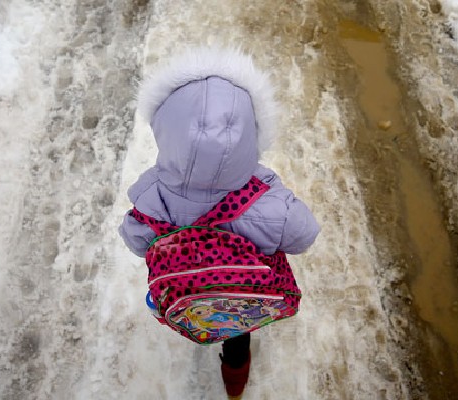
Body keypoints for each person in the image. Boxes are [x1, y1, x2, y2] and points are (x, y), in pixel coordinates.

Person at [118, 49, 320, 399]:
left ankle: (199, 325)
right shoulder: (266, 203)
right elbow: (304, 234)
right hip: (239, 290)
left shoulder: (153, 195)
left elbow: (135, 238)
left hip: (187, 290)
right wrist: (272, 189)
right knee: (236, 330)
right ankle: (235, 381)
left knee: (201, 309)